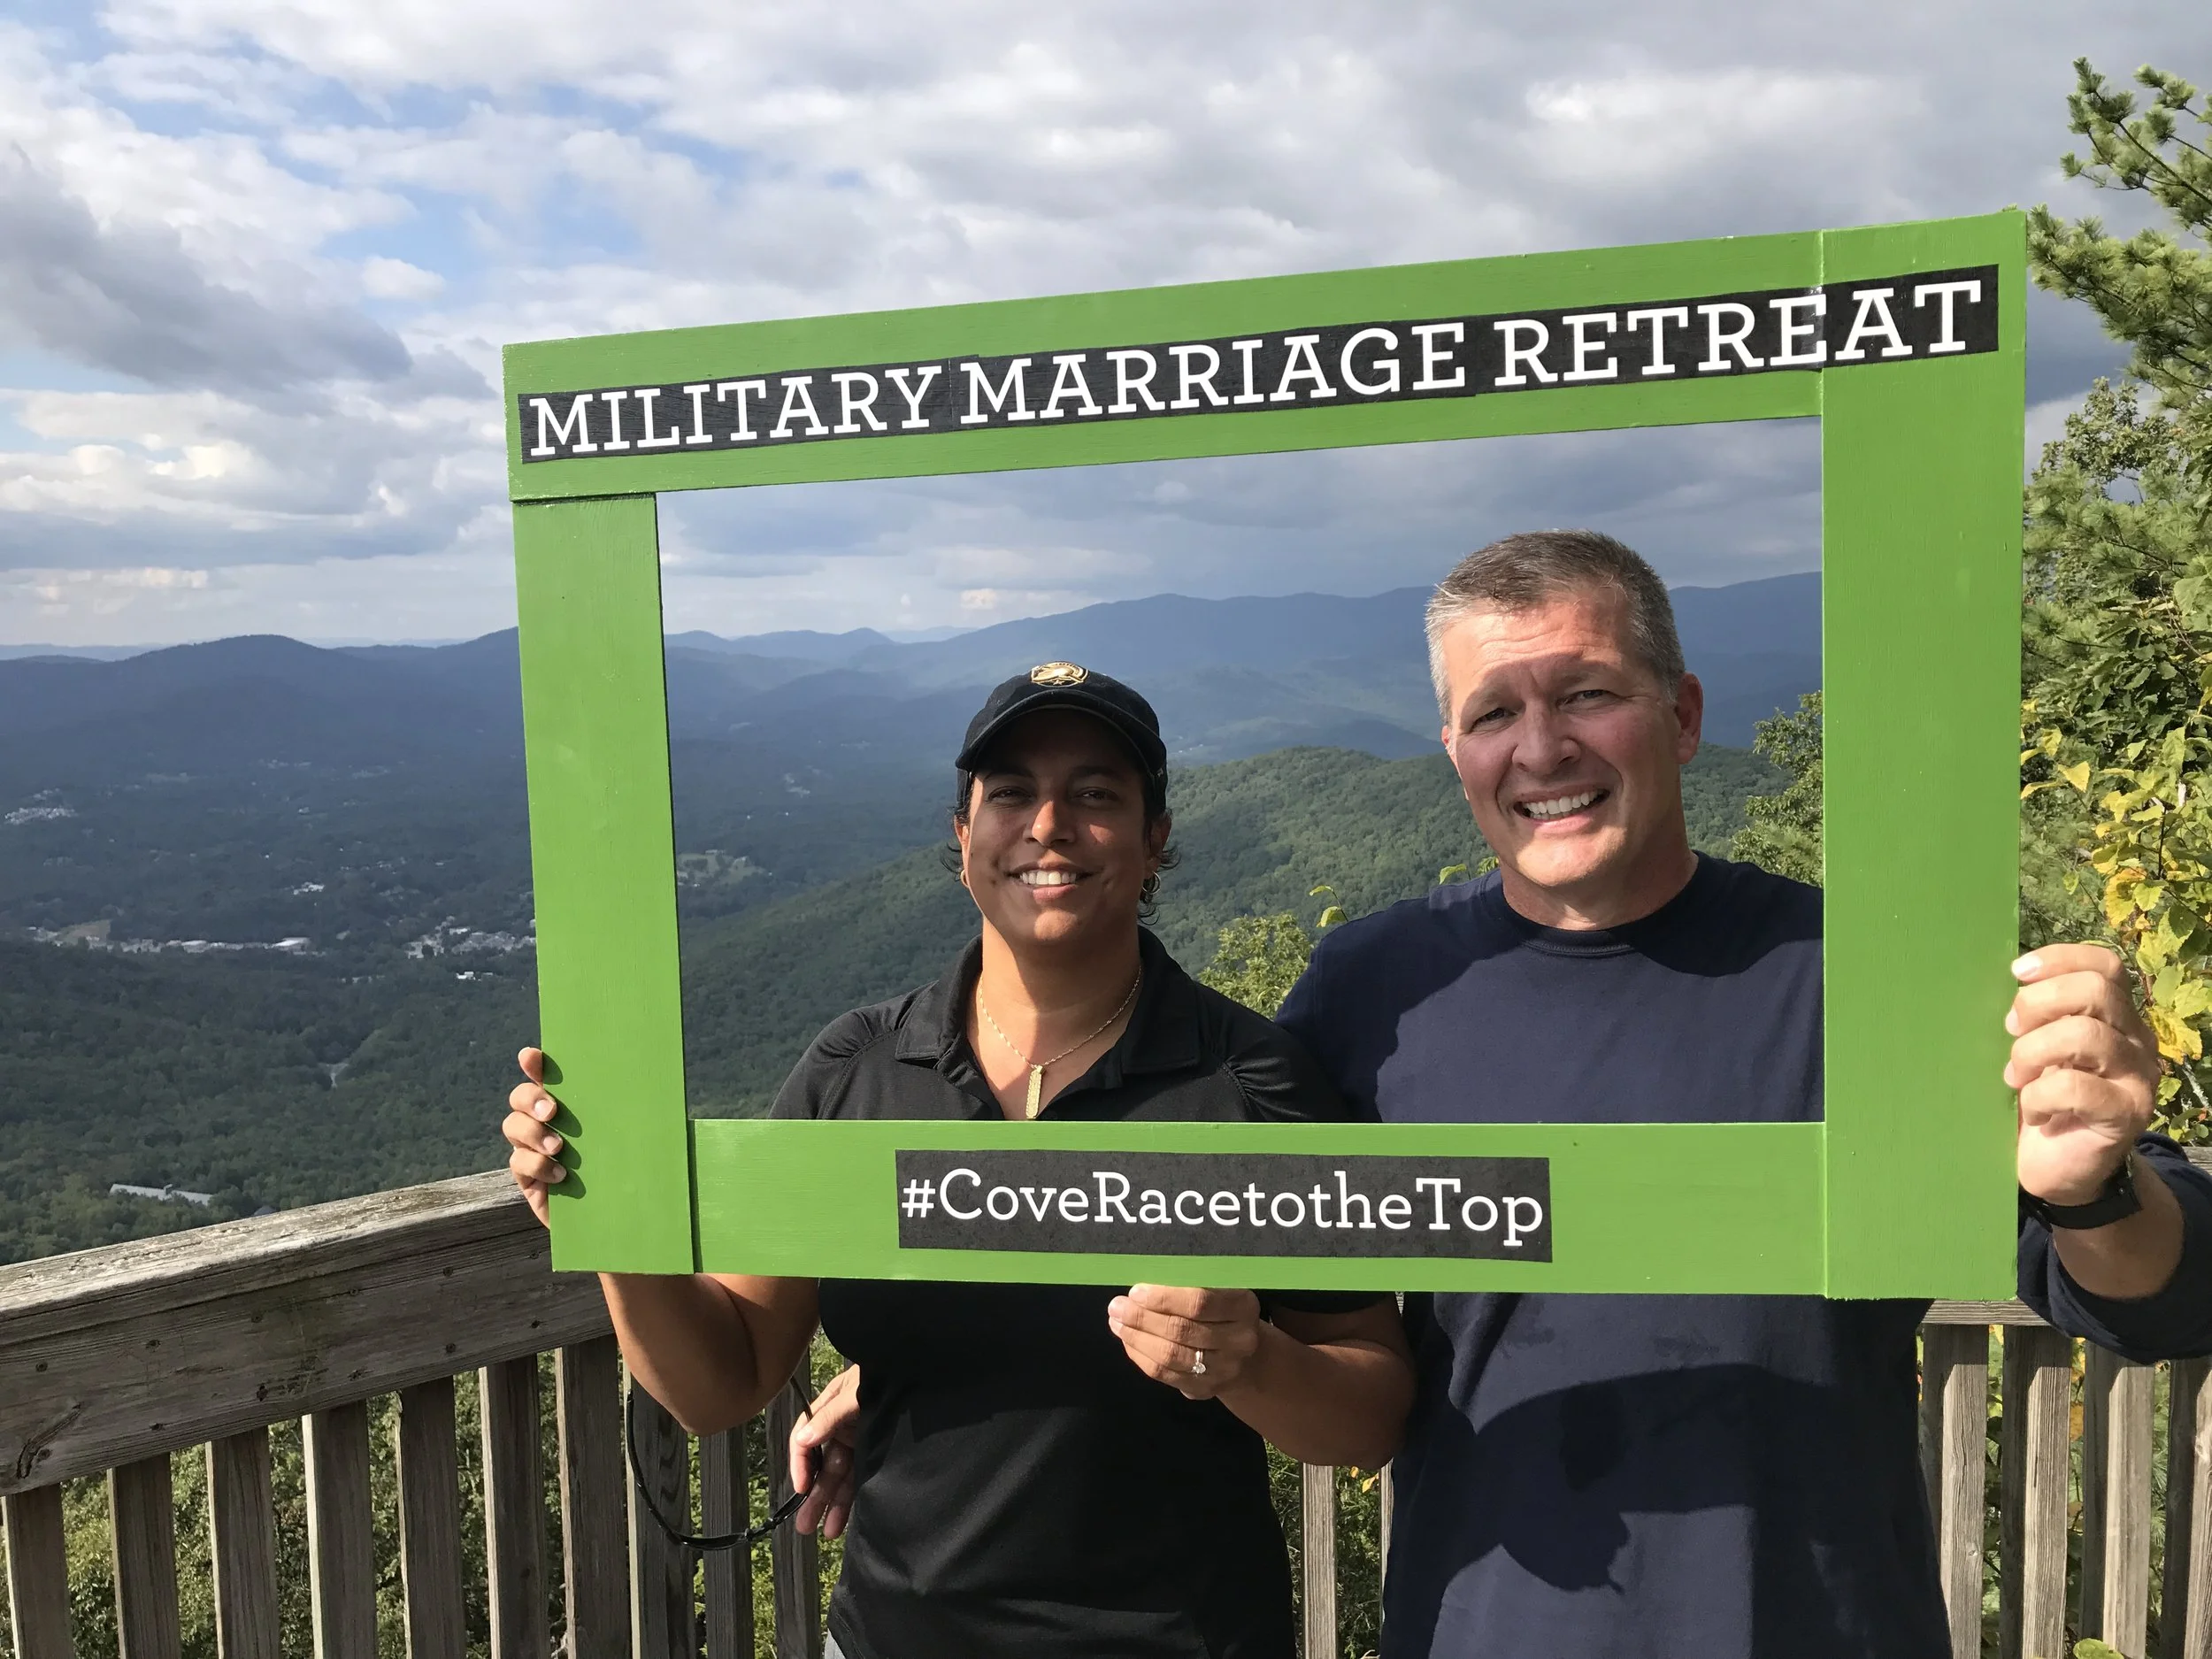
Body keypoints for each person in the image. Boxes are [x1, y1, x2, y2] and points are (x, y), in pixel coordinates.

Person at [1263, 528, 2212, 1657]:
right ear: (1454, 750)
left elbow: (2163, 1298)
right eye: (1492, 714)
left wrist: (2089, 1188)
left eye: (1585, 692)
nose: (1541, 747)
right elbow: (1315, 1316)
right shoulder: (1372, 988)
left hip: (1822, 1624)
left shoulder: (1859, 975)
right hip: (1478, 1629)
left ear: (1683, 714)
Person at [503, 662, 1414, 1659]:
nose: (1049, 823)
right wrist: (609, 1219)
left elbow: (1369, 1407)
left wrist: (1252, 1362)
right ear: (962, 834)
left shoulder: (1253, 1084)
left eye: (1096, 794)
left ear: (1156, 839)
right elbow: (720, 1381)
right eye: (1011, 791)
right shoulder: (855, 1070)